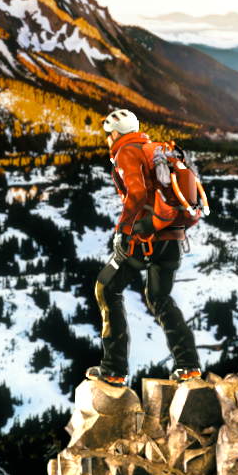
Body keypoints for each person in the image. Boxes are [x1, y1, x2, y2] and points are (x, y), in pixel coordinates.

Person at [90, 105, 207, 385]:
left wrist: (123, 230)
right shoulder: (153, 149)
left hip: (146, 238)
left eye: (108, 133)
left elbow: (137, 193)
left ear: (115, 133)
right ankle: (188, 366)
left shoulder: (126, 151)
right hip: (172, 235)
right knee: (159, 298)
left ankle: (113, 370)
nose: (107, 138)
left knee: (106, 287)